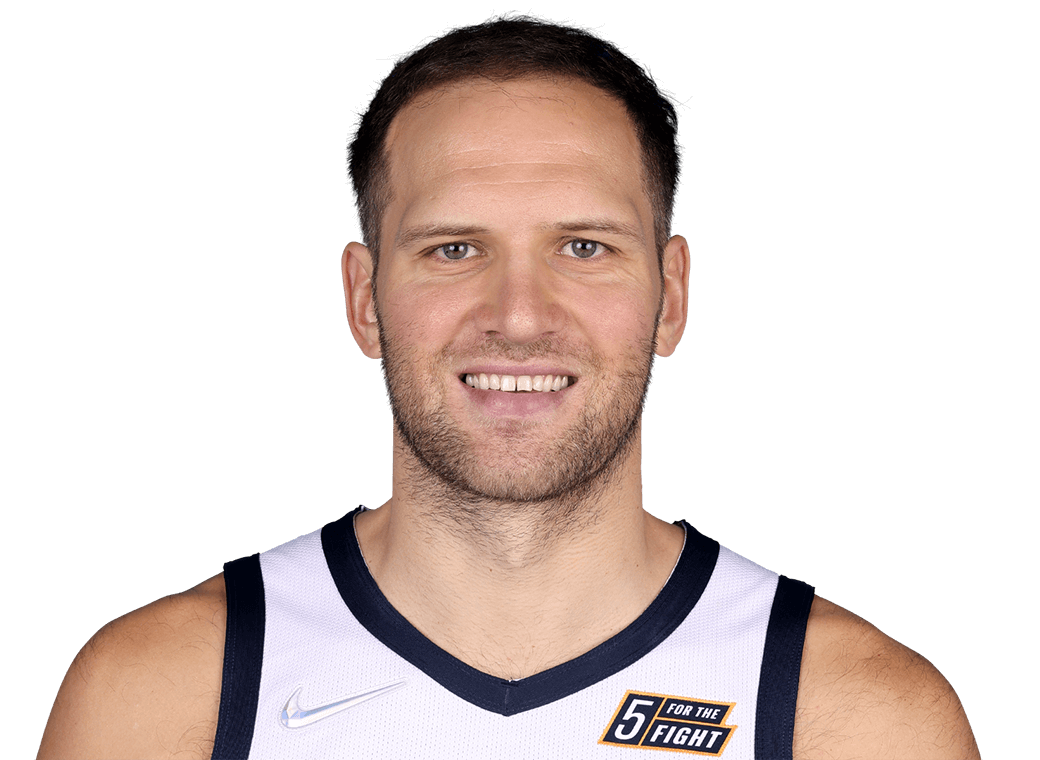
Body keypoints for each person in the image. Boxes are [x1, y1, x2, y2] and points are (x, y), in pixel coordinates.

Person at [37, 13, 981, 760]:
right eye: (454, 249)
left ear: (672, 296)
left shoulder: (857, 715)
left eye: (585, 247)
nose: (521, 316)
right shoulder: (162, 695)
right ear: (364, 301)